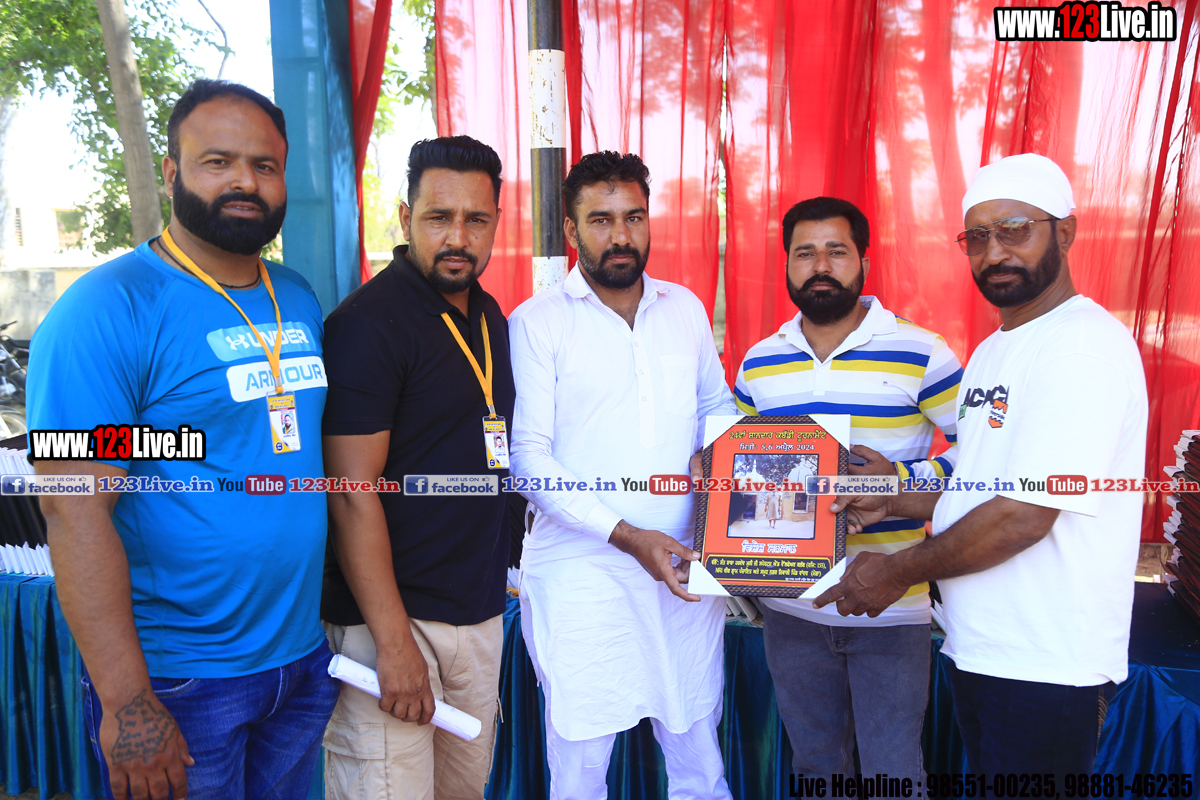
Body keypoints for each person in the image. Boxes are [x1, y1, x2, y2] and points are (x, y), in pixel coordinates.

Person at [28, 79, 337, 800]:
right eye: (217, 161)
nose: (244, 181)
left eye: (264, 165)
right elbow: (73, 508)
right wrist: (127, 702)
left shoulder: (295, 294)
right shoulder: (107, 309)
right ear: (171, 172)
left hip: (298, 662)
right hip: (180, 682)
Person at [815, 154, 1148, 777]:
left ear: (1065, 232)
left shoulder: (1081, 347)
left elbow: (1023, 515)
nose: (995, 252)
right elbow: (978, 484)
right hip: (983, 648)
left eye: (1015, 230)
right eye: (978, 237)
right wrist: (891, 497)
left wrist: (896, 572)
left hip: (1046, 662)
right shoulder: (998, 347)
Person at [509, 151, 737, 800]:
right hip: (583, 574)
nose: (620, 235)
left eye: (633, 217)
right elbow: (528, 459)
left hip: (687, 566)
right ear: (571, 230)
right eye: (601, 220)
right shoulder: (538, 321)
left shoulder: (684, 308)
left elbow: (715, 407)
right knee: (582, 763)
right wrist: (630, 536)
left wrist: (717, 453)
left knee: (698, 752)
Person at [733, 196, 963, 780]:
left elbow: (983, 457)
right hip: (790, 608)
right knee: (817, 769)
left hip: (891, 604)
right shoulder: (759, 363)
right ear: (787, 264)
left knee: (894, 773)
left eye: (836, 251)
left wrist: (897, 482)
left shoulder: (923, 352)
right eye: (804, 253)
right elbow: (739, 471)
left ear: (864, 261)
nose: (820, 266)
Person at [319, 136, 515, 800]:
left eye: (476, 219)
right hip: (393, 626)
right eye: (438, 217)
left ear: (496, 221)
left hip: (478, 615)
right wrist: (393, 642)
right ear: (406, 218)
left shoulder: (488, 315)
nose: (458, 237)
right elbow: (350, 493)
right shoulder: (368, 323)